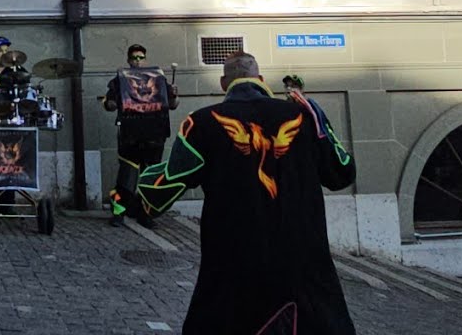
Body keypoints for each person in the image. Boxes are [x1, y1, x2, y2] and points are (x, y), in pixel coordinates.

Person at [136, 52, 357, 335]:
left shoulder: (201, 122)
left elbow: (160, 192)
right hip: (303, 267)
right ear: (261, 79)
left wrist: (140, 181)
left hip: (233, 268)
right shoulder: (304, 115)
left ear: (222, 83)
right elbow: (342, 172)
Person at [102, 44, 177, 229]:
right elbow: (108, 102)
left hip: (154, 136)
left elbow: (173, 104)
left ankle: (145, 214)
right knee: (126, 179)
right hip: (130, 136)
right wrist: (111, 103)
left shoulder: (159, 80)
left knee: (150, 179)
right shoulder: (120, 81)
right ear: (128, 60)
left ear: (145, 59)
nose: (137, 60)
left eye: (140, 57)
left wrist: (174, 95)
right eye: (134, 57)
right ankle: (118, 213)